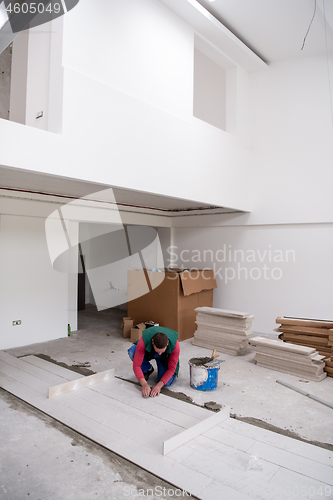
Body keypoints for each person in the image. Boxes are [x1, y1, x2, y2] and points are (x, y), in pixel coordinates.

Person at [128, 326, 180, 398]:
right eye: (158, 351)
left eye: (162, 351)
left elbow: (171, 368)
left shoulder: (175, 345)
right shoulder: (144, 340)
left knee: (166, 383)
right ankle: (147, 369)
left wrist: (158, 386)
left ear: (167, 343)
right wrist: (144, 384)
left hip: (165, 358)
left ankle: (163, 365)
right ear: (152, 342)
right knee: (132, 351)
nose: (159, 354)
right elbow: (136, 365)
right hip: (150, 352)